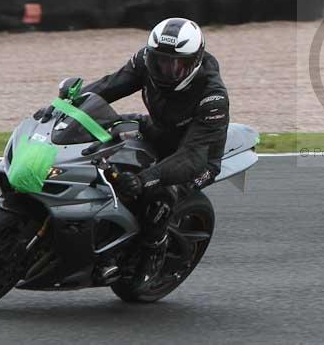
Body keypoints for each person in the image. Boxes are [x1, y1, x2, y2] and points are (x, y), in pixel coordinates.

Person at [80, 18, 229, 285]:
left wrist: (144, 178)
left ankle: (154, 249)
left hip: (197, 157)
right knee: (101, 131)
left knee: (159, 194)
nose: (166, 69)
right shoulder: (144, 61)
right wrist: (67, 106)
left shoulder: (212, 97)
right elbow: (108, 87)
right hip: (158, 130)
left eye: (177, 65)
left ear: (194, 62)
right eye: (160, 61)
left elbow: (192, 157)